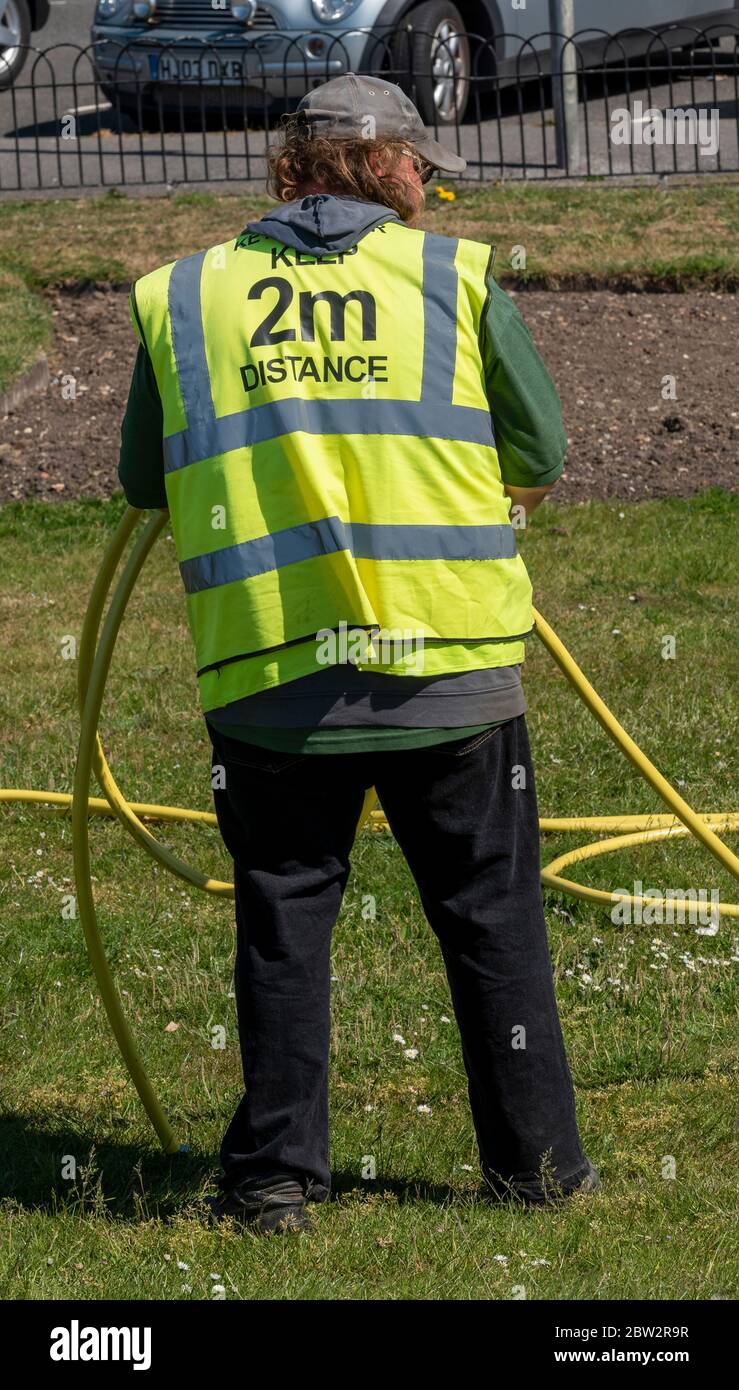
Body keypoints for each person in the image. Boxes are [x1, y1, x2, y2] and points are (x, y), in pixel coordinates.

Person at [118, 72, 599, 1235]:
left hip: (275, 683)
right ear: (388, 166)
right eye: (424, 171)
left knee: (284, 920)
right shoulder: (455, 278)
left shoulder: (187, 297)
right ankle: (535, 1169)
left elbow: (147, 480)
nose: (430, 193)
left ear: (291, 165)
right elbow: (540, 447)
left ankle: (275, 1180)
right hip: (451, 667)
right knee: (491, 916)